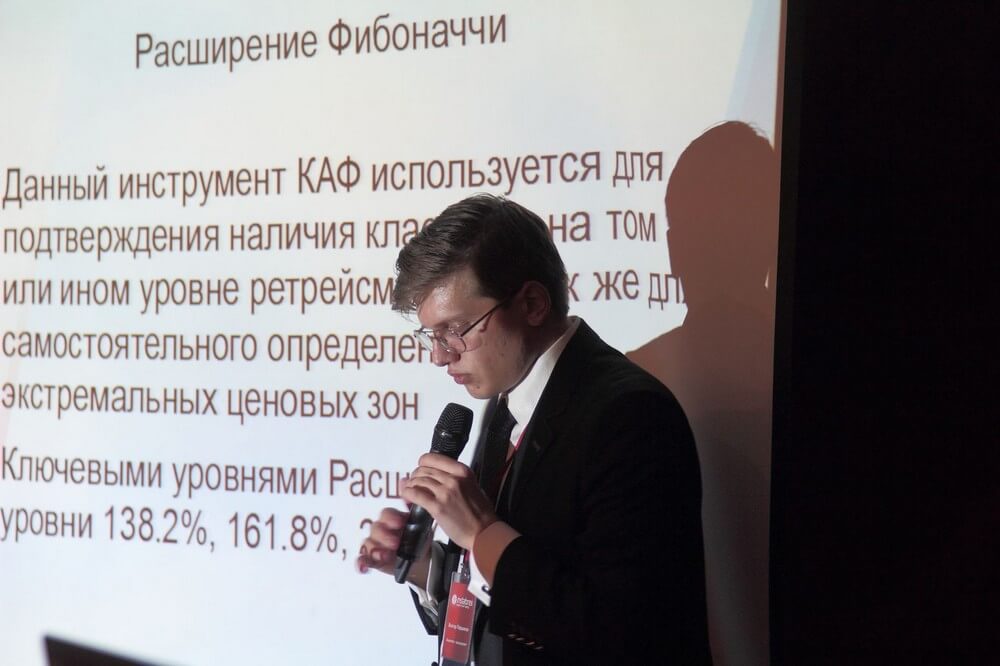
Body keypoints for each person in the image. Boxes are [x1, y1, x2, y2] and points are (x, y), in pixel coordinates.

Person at [358, 194, 710, 665]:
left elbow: (619, 630)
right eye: (432, 336)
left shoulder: (630, 416)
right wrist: (428, 569)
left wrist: (482, 534)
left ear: (532, 303)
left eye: (456, 329)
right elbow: (510, 605)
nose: (440, 356)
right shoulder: (505, 401)